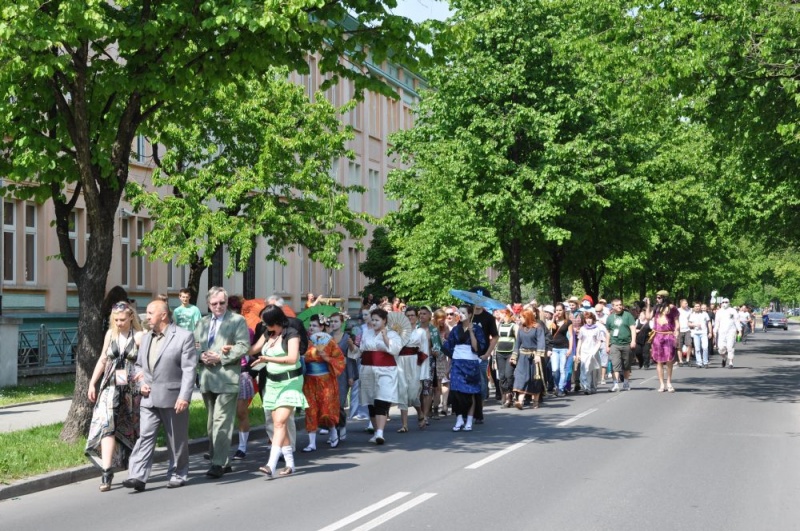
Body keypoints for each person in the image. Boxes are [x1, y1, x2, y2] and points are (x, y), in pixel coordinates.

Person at [121, 299, 197, 491]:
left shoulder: (183, 336)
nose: (146, 317)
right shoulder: (146, 338)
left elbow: (189, 370)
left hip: (173, 397)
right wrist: (141, 383)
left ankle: (178, 473)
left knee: (176, 439)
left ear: (163, 315)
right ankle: (137, 476)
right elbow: (138, 365)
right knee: (145, 436)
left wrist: (185, 396)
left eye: (149, 313)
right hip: (149, 398)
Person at [85, 301, 145, 492]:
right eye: (116, 320)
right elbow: (103, 359)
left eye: (122, 319)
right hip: (110, 388)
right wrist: (92, 383)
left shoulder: (139, 337)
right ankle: (106, 470)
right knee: (107, 426)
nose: (119, 323)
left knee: (132, 429)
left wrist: (144, 378)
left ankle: (135, 468)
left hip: (131, 390)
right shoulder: (110, 334)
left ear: (131, 317)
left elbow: (147, 363)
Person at [194, 286, 250, 478]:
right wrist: (201, 356)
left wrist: (220, 357)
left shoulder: (237, 320)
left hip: (227, 377)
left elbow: (243, 345)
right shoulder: (202, 322)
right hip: (207, 377)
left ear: (227, 303)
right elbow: (194, 344)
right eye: (214, 303)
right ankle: (223, 460)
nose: (218, 306)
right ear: (208, 304)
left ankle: (217, 463)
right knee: (211, 423)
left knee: (221, 421)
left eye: (222, 303)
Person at [251, 305, 308, 477]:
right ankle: (290, 464)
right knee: (278, 424)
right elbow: (252, 350)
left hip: (290, 382)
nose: (262, 324)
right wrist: (232, 347)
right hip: (272, 383)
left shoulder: (291, 334)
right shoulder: (268, 333)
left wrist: (267, 358)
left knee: (279, 423)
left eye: (264, 321)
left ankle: (271, 464)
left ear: (274, 320)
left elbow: (292, 358)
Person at [356, 307, 402, 444]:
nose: (374, 322)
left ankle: (381, 432)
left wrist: (385, 337)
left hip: (385, 370)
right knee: (371, 401)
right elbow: (361, 350)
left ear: (384, 320)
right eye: (373, 320)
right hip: (368, 370)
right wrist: (354, 347)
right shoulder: (367, 333)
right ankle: (376, 431)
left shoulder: (393, 334)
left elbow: (395, 350)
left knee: (382, 399)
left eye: (377, 320)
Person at [302, 314, 345, 452]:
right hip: (309, 380)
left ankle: (333, 432)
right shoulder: (306, 342)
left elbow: (340, 360)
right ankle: (311, 443)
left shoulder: (330, 342)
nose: (311, 328)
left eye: (314, 325)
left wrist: (327, 358)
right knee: (311, 410)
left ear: (322, 327)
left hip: (326, 380)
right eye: (310, 325)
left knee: (327, 409)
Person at [441, 304, 488, 431]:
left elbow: (477, 348)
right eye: (459, 313)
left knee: (471, 392)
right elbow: (450, 348)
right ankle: (459, 418)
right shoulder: (455, 330)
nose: (460, 315)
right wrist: (448, 367)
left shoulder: (477, 329)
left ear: (470, 314)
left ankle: (470, 419)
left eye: (463, 313)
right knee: (457, 391)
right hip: (457, 363)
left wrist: (471, 332)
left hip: (471, 363)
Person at [397, 306, 430, 432]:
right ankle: (404, 425)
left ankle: (420, 412)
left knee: (412, 393)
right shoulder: (399, 332)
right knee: (402, 392)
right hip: (401, 362)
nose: (410, 317)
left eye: (412, 315)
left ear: (416, 317)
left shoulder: (420, 332)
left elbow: (424, 351)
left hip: (415, 363)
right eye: (408, 315)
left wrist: (423, 371)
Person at [329, 312, 358, 442]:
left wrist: (351, 376)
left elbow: (352, 358)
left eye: (336, 321)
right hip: (329, 372)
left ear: (341, 323)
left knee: (340, 402)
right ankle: (333, 430)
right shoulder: (327, 337)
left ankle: (342, 426)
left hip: (343, 372)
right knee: (330, 402)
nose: (333, 324)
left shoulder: (347, 338)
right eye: (332, 321)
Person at [510, 308, 546, 409]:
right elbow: (517, 344)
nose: (519, 319)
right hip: (523, 357)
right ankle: (520, 401)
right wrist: (514, 357)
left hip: (534, 357)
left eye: (521, 317)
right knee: (521, 377)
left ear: (527, 317)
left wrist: (538, 355)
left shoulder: (537, 327)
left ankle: (535, 402)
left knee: (534, 379)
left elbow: (541, 341)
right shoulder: (521, 328)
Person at [647, 290, 680, 392]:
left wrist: (677, 333)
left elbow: (677, 323)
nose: (657, 299)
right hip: (657, 336)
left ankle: (669, 382)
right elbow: (648, 317)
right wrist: (648, 305)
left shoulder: (672, 308)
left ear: (664, 298)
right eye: (656, 297)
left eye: (659, 297)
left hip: (668, 335)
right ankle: (661, 384)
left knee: (669, 360)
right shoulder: (656, 307)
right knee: (659, 361)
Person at [605, 298, 637, 392]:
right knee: (615, 364)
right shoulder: (610, 318)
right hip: (615, 343)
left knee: (626, 365)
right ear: (613, 306)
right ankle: (615, 384)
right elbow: (608, 332)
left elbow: (633, 328)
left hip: (626, 343)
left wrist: (633, 341)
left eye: (620, 304)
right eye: (617, 305)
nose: (619, 306)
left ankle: (626, 382)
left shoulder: (627, 315)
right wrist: (607, 345)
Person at [417, 306, 439, 421]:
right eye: (420, 313)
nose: (422, 316)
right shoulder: (415, 328)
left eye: (424, 313)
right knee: (418, 388)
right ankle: (420, 412)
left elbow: (438, 347)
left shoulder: (433, 330)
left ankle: (425, 415)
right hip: (416, 361)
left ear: (430, 316)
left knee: (427, 388)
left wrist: (436, 351)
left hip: (429, 361)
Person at [576, 311, 606, 394]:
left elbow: (599, 341)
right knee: (584, 369)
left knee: (593, 369)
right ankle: (586, 387)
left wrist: (595, 350)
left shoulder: (597, 329)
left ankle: (593, 386)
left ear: (593, 319)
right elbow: (580, 341)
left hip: (593, 352)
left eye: (590, 318)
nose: (588, 320)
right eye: (587, 318)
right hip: (584, 351)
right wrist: (578, 353)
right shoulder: (582, 329)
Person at [494, 310, 517, 407]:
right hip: (500, 353)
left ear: (507, 315)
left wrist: (515, 355)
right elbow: (496, 340)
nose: (500, 315)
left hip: (510, 353)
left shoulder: (514, 326)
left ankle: (509, 396)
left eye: (502, 314)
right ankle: (506, 395)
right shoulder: (499, 325)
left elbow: (518, 340)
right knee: (502, 376)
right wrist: (494, 359)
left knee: (509, 375)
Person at [432, 308, 452, 417]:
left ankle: (444, 406)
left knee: (445, 381)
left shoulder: (446, 328)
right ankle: (435, 405)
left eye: (444, 318)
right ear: (435, 318)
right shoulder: (431, 328)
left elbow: (449, 343)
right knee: (435, 385)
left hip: (442, 358)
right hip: (432, 358)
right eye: (441, 318)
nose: (443, 320)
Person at [714, 298, 742, 368]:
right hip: (721, 332)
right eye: (723, 302)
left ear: (729, 303)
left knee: (730, 347)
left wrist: (739, 331)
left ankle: (730, 362)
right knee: (721, 348)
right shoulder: (719, 312)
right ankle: (724, 358)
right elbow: (717, 322)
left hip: (731, 331)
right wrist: (715, 331)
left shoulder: (733, 311)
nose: (724, 303)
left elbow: (737, 321)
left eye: (726, 302)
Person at [689, 301, 713, 368]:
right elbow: (689, 324)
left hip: (704, 333)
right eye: (695, 306)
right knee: (697, 349)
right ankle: (699, 362)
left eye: (698, 306)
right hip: (696, 333)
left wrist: (710, 332)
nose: (697, 308)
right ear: (694, 307)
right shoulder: (692, 314)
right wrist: (694, 324)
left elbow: (709, 323)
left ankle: (705, 362)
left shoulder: (704, 314)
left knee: (705, 348)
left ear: (700, 307)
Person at [676, 299, 693, 366]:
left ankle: (688, 359)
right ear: (681, 304)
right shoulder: (678, 310)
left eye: (687, 303)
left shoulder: (689, 310)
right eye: (685, 303)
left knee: (689, 344)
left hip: (687, 330)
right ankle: (680, 360)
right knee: (679, 346)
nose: (687, 304)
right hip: (680, 330)